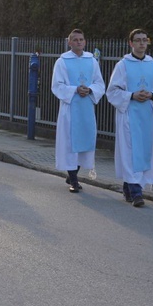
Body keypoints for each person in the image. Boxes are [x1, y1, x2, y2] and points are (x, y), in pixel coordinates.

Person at [106, 29, 153, 207]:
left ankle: (129, 188)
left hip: (147, 116)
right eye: (138, 40)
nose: (142, 43)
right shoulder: (123, 65)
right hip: (129, 115)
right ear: (131, 43)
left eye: (144, 40)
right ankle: (136, 192)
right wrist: (131, 96)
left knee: (143, 151)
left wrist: (152, 94)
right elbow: (112, 91)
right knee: (130, 151)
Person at [50, 29, 106, 193]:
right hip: (70, 109)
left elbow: (99, 83)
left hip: (86, 108)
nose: (79, 42)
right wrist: (75, 89)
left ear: (85, 42)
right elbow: (57, 85)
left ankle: (73, 174)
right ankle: (74, 180)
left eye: (81, 39)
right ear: (69, 42)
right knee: (70, 144)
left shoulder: (92, 61)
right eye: (75, 40)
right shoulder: (62, 61)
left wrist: (89, 90)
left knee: (85, 143)